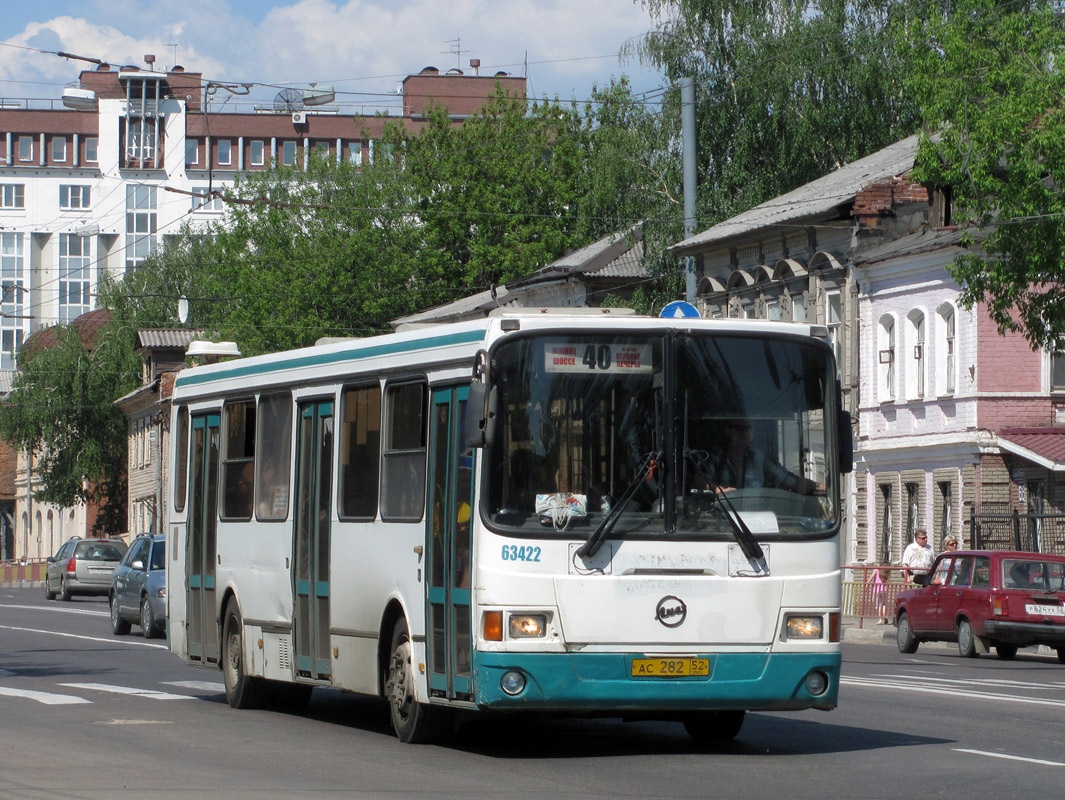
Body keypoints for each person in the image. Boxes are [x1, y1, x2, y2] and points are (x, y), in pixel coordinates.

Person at [700, 418, 824, 495]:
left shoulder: (760, 460)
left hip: (759, 523)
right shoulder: (717, 459)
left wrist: (817, 486)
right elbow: (700, 480)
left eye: (748, 429)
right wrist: (718, 490)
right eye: (740, 428)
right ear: (728, 431)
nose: (746, 433)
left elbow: (790, 481)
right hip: (723, 524)